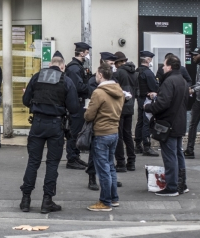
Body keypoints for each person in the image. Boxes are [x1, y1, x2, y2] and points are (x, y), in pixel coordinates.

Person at [20, 54, 80, 214]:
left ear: (50, 64)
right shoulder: (66, 80)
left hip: (37, 124)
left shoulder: (37, 77)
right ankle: (47, 200)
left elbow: (26, 101)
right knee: (52, 163)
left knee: (33, 162)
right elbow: (74, 107)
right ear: (62, 66)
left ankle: (25, 199)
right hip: (55, 125)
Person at [144, 55, 189, 196]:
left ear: (169, 66)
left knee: (170, 156)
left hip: (168, 124)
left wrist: (148, 107)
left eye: (164, 65)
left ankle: (172, 187)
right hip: (180, 122)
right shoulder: (182, 80)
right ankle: (182, 184)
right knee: (178, 154)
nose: (162, 68)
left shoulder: (169, 81)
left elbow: (163, 103)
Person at [85, 63, 125, 211]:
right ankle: (114, 198)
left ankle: (105, 202)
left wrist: (86, 112)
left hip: (101, 133)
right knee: (110, 167)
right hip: (114, 131)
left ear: (101, 75)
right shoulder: (119, 90)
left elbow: (89, 115)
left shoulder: (98, 92)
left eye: (96, 74)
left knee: (103, 170)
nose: (96, 76)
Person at [65, 42, 93, 170]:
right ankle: (71, 158)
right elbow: (78, 86)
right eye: (87, 53)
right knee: (74, 132)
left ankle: (75, 156)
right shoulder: (74, 68)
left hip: (79, 102)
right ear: (81, 53)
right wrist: (91, 87)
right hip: (76, 103)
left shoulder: (78, 67)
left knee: (77, 131)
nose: (88, 55)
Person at [112, 51, 137, 172]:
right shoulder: (134, 73)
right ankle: (131, 162)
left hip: (120, 107)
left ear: (117, 62)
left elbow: (115, 90)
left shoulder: (118, 73)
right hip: (130, 106)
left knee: (119, 136)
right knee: (128, 135)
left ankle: (121, 163)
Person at [134, 51, 160, 157]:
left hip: (140, 99)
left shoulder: (137, 71)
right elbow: (155, 87)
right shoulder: (148, 73)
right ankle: (147, 146)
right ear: (148, 60)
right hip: (147, 100)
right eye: (150, 59)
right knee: (147, 122)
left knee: (140, 122)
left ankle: (137, 145)